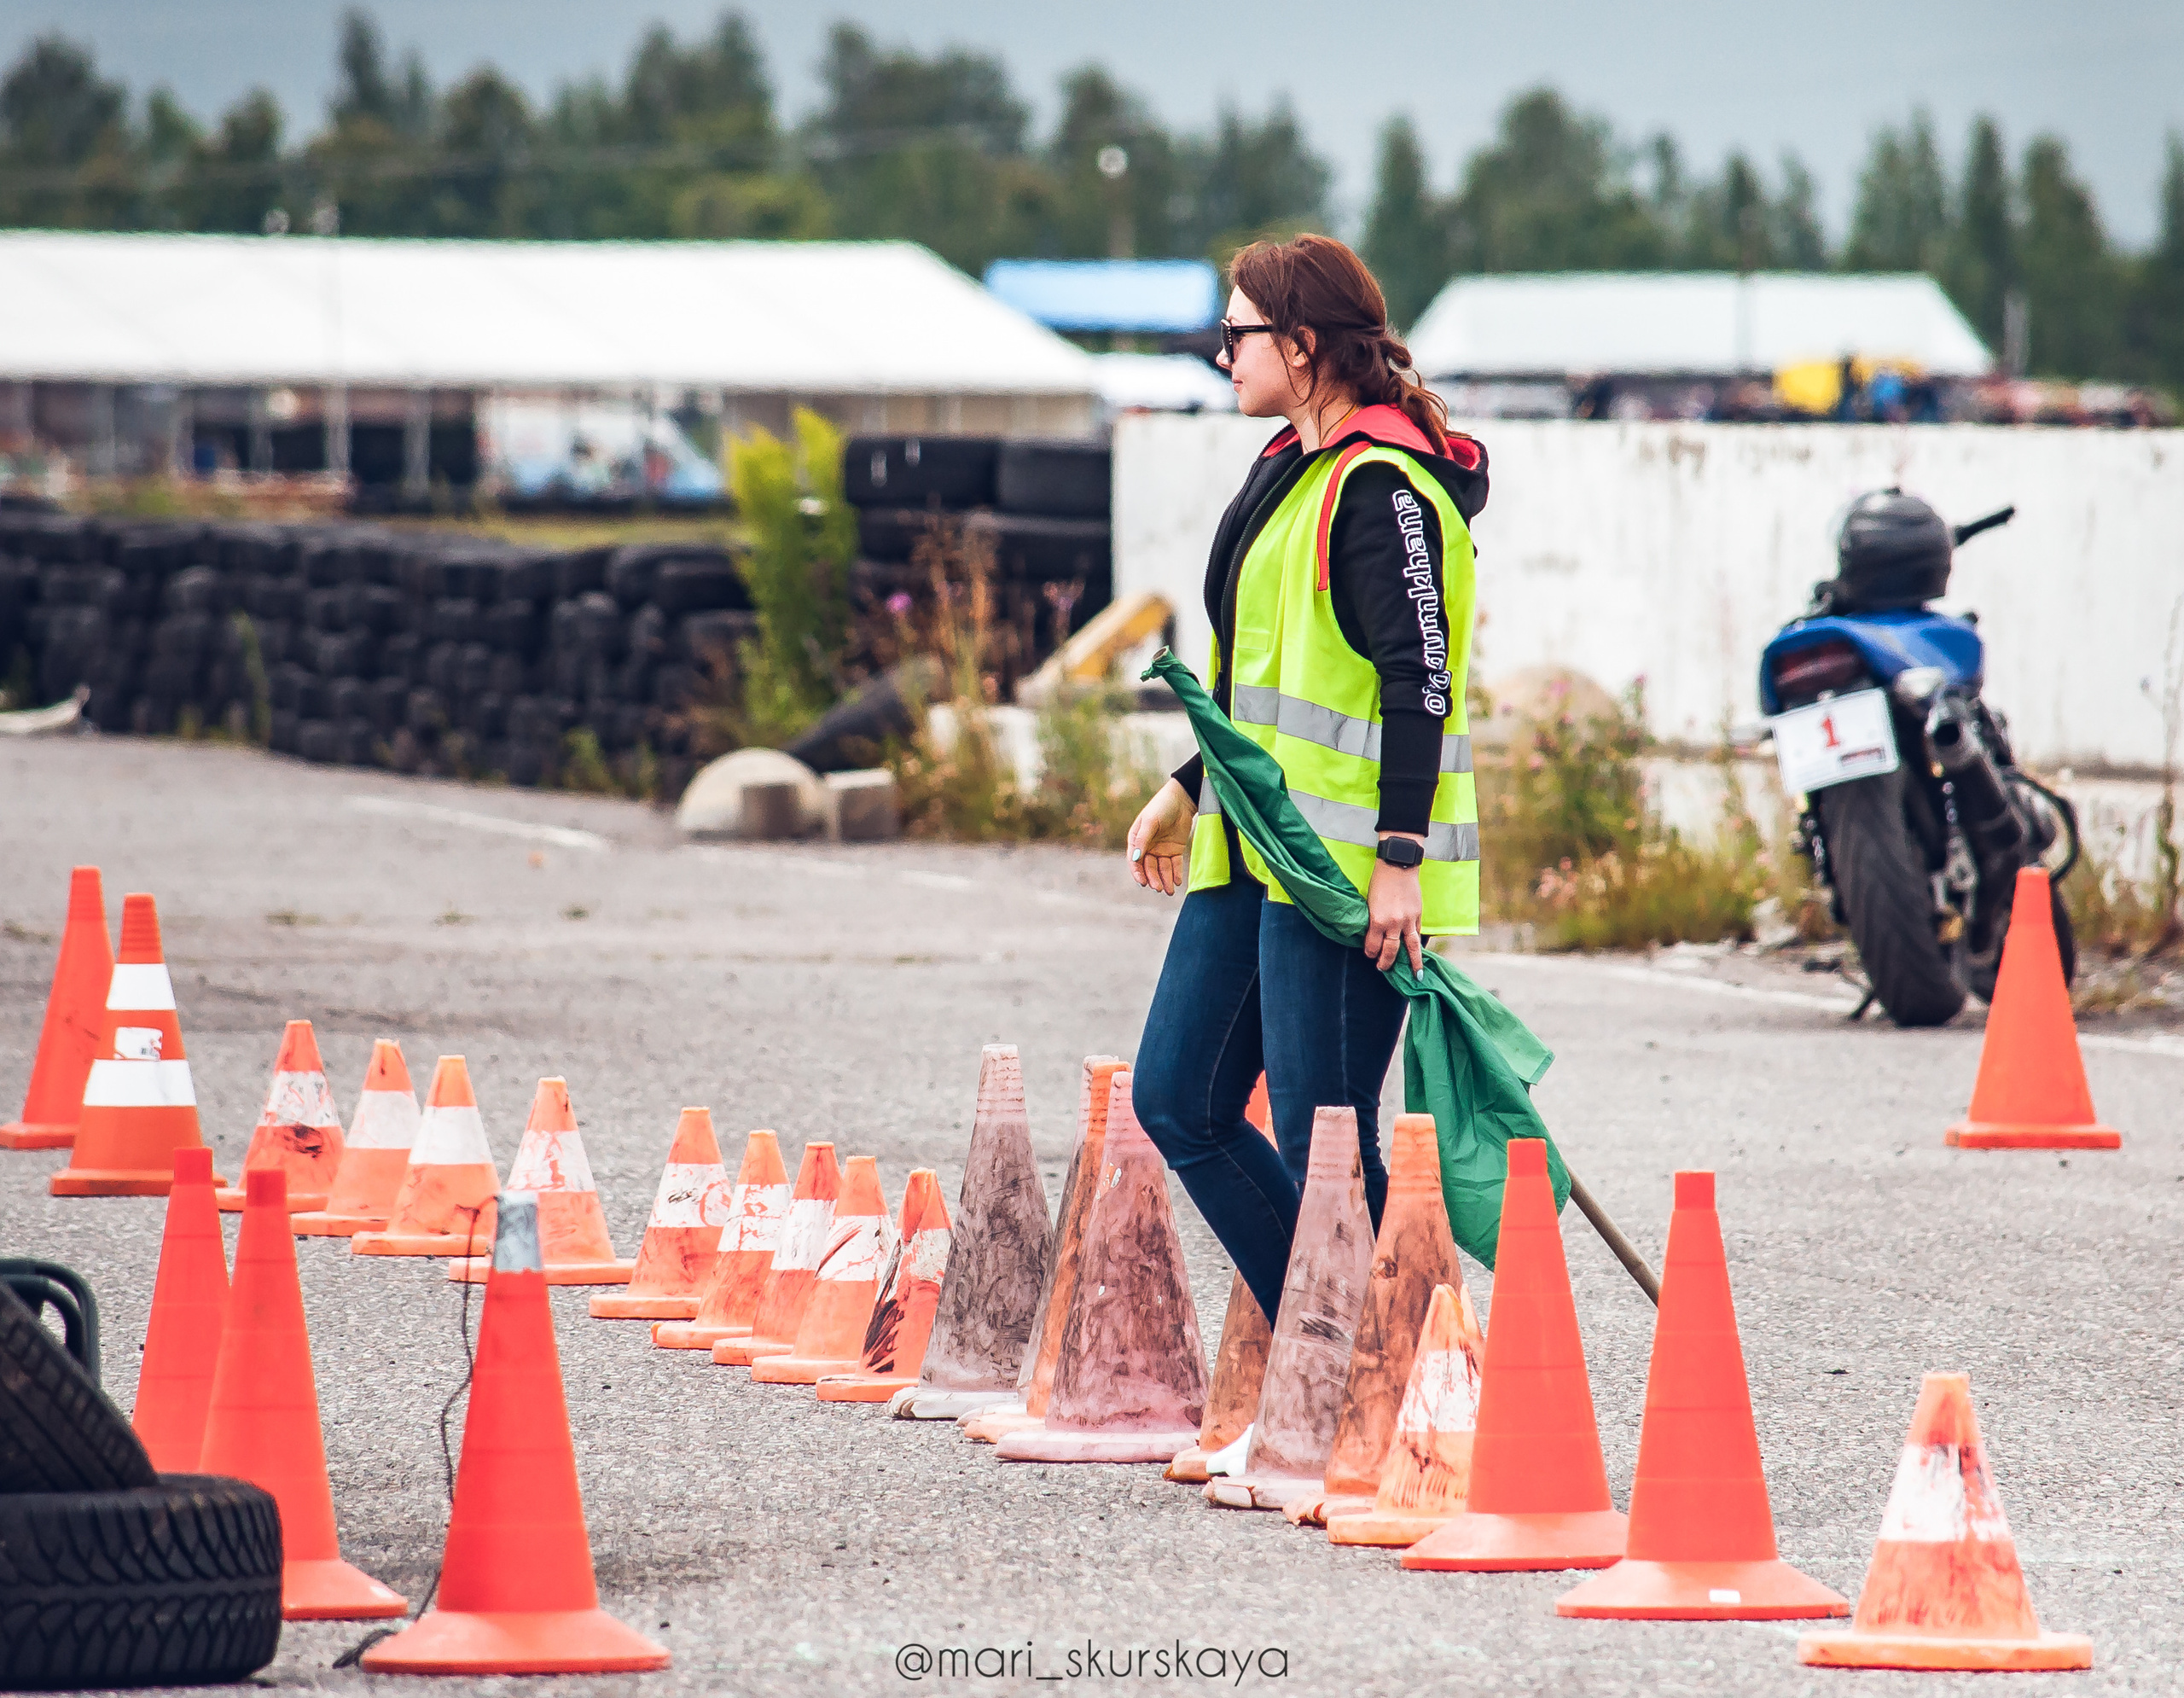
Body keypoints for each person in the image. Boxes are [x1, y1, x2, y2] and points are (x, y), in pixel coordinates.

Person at [1124, 234, 1488, 1328]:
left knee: (1327, 1141)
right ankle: (1343, 1348)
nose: (1219, 355)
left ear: (1302, 343)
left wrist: (1398, 863)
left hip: (1344, 876)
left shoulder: (1384, 487)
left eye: (1235, 335)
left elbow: (1416, 685)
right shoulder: (1292, 471)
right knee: (1177, 1097)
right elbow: (1267, 676)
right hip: (1255, 845)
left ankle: (1398, 1369)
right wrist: (1191, 782)